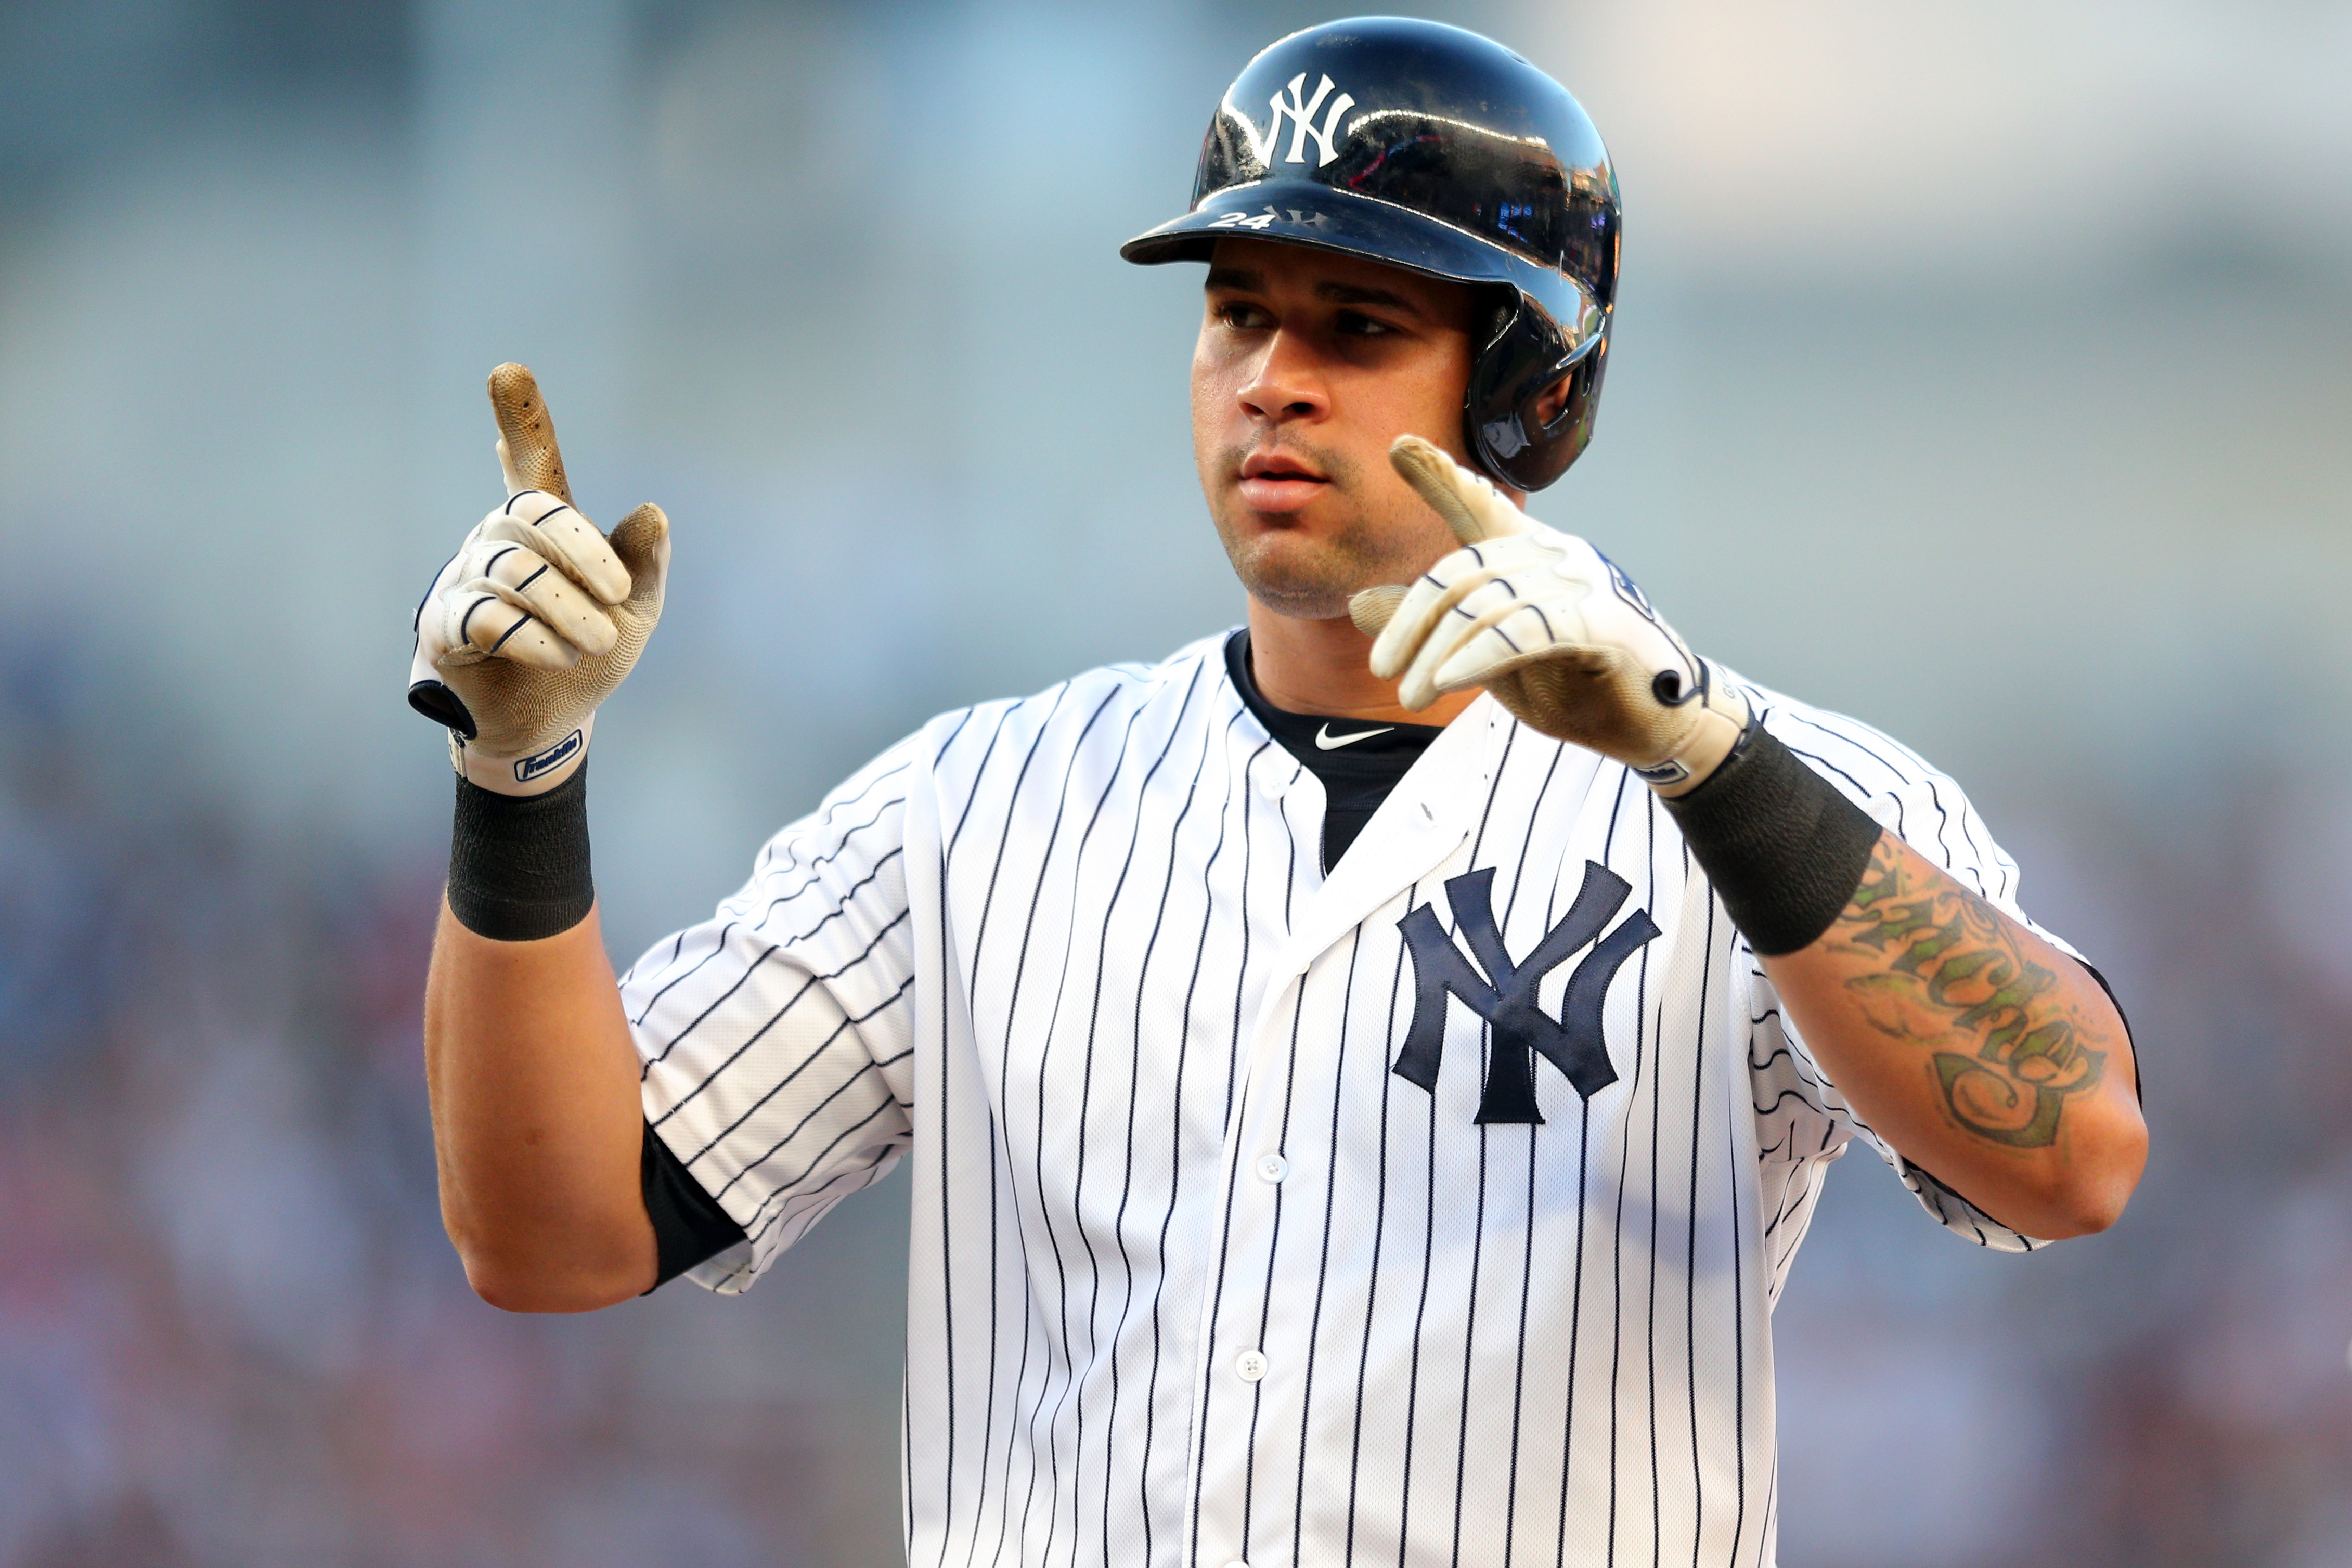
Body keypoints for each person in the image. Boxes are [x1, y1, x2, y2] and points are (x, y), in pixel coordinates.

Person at [408, 18, 2144, 1566]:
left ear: (1528, 388)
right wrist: (518, 771)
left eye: (1357, 322)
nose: (1270, 376)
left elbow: (2071, 1156)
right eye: (1235, 311)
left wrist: (1694, 751)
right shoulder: (972, 802)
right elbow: (553, 1232)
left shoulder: (1775, 789)